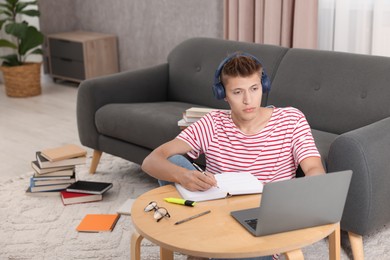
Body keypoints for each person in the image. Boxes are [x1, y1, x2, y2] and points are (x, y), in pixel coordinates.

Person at [142, 52, 325, 260]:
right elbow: (151, 161)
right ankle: (202, 241)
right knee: (173, 163)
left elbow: (313, 168)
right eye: (237, 92)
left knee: (239, 251)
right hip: (215, 216)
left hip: (263, 223)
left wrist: (314, 188)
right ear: (224, 94)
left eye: (254, 89)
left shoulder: (291, 119)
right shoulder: (212, 123)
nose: (248, 100)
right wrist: (183, 176)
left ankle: (205, 249)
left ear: (262, 86)